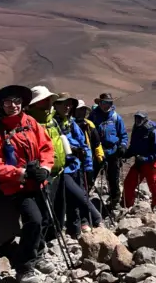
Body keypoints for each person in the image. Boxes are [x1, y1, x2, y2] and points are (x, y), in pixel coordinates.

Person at [0, 85, 55, 283]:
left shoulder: (30, 122)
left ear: (22, 103)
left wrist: (45, 168)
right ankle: (24, 267)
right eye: (7, 102)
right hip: (13, 186)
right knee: (34, 220)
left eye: (16, 101)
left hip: (37, 180)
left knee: (46, 218)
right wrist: (21, 174)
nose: (13, 106)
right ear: (0, 105)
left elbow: (46, 147)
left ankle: (37, 253)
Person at [53, 94, 101, 236]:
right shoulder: (54, 123)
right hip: (63, 168)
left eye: (69, 104)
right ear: (56, 105)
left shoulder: (71, 122)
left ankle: (75, 231)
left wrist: (88, 166)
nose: (67, 107)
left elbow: (84, 145)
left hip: (76, 166)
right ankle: (96, 218)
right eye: (64, 104)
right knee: (79, 196)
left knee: (74, 200)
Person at [27, 85, 68, 232]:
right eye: (44, 99)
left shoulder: (52, 120)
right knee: (45, 209)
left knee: (58, 205)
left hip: (59, 169)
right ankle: (43, 240)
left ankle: (55, 233)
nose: (48, 102)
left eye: (48, 99)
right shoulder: (31, 123)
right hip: (44, 172)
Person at [89, 93, 128, 212]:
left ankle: (114, 202)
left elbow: (123, 135)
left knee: (113, 179)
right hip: (97, 152)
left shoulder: (116, 117)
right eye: (105, 103)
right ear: (99, 103)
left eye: (110, 103)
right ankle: (83, 199)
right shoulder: (93, 117)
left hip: (113, 152)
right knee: (90, 176)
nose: (107, 105)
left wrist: (122, 146)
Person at [123, 112, 156, 210]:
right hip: (139, 162)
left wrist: (145, 158)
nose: (137, 120)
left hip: (151, 163)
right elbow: (134, 146)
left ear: (145, 119)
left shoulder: (153, 132)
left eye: (140, 118)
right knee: (129, 182)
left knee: (154, 186)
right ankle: (127, 205)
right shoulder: (137, 129)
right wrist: (127, 154)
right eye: (136, 118)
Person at [74, 100, 104, 191]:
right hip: (74, 161)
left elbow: (97, 143)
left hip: (88, 160)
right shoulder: (69, 124)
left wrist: (100, 158)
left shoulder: (89, 124)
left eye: (83, 110)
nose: (82, 112)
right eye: (80, 109)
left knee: (88, 183)